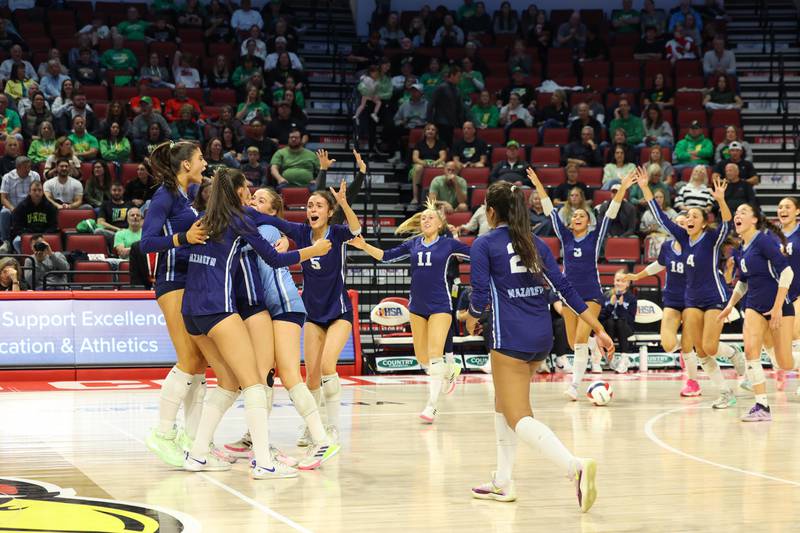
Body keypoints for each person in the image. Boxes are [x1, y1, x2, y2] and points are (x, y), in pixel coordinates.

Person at [465, 180, 611, 510]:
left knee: (518, 416)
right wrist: (598, 329)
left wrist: (469, 315)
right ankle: (502, 481)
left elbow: (479, 298)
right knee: (503, 405)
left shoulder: (484, 244)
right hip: (541, 337)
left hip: (509, 338)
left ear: (490, 212)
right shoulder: (535, 242)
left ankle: (574, 466)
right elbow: (566, 290)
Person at [180, 168, 329, 478]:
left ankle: (197, 454)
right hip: (218, 309)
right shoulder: (239, 219)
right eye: (246, 187)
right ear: (236, 192)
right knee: (254, 385)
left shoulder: (203, 219)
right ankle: (264, 462)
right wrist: (311, 250)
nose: (249, 192)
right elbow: (273, 259)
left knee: (227, 383)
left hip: (190, 312)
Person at [223, 187, 341, 469]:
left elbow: (265, 252)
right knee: (263, 374)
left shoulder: (267, 231)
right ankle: (256, 437)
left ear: (274, 212)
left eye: (260, 200)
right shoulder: (254, 228)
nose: (253, 202)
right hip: (270, 309)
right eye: (253, 198)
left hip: (285, 305)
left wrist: (289, 243)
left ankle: (322, 440)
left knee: (289, 375)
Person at [247, 154, 361, 442]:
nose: (312, 209)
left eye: (319, 205)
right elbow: (267, 219)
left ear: (329, 212)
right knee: (310, 377)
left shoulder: (337, 233)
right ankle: (315, 427)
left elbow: (357, 229)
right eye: (309, 205)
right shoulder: (300, 230)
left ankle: (332, 427)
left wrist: (344, 203)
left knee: (326, 367)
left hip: (339, 311)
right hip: (312, 311)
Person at [349, 201, 470, 421]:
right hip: (417, 307)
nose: (426, 220)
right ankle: (450, 370)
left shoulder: (448, 244)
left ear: (440, 223)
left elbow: (475, 254)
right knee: (422, 358)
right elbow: (385, 256)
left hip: (440, 305)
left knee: (434, 356)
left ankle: (432, 406)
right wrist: (364, 246)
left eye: (431, 217)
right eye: (423, 217)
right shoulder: (413, 244)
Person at [638, 167, 747, 408]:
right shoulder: (682, 238)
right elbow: (660, 218)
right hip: (692, 299)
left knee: (709, 345)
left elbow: (728, 224)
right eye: (687, 217)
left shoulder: (711, 238)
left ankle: (734, 353)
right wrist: (645, 188)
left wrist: (720, 200)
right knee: (700, 350)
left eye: (695, 217)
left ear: (703, 222)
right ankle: (725, 392)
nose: (689, 219)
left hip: (714, 297)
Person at [531, 168, 633, 397]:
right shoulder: (565, 237)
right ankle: (597, 346)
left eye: (581, 216)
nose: (576, 218)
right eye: (574, 216)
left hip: (591, 295)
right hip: (568, 295)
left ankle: (574, 386)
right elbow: (551, 213)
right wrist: (539, 186)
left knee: (578, 340)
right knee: (573, 341)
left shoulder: (595, 237)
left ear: (588, 222)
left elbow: (610, 216)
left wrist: (622, 189)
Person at [139, 141, 210, 468]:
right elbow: (147, 243)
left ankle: (192, 437)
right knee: (187, 359)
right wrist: (183, 239)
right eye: (199, 158)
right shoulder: (164, 196)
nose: (204, 162)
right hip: (172, 282)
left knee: (197, 362)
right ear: (185, 165)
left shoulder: (185, 198)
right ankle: (162, 433)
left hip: (190, 281)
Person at [718, 203, 797, 421]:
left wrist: (778, 306)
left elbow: (787, 272)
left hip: (779, 305)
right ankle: (762, 406)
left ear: (754, 220)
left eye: (743, 211)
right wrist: (729, 306)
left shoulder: (763, 240)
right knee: (751, 351)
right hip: (753, 305)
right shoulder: (741, 247)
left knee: (785, 363)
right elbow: (743, 283)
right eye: (736, 213)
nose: (737, 215)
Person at [776, 197, 800, 394]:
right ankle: (779, 369)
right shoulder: (772, 236)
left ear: (797, 212)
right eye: (780, 207)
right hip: (779, 294)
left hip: (798, 291)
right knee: (781, 340)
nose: (783, 210)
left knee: (795, 334)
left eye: (788, 207)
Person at [599, 269, 638, 369]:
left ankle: (624, 359)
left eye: (623, 281)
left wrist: (620, 305)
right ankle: (611, 357)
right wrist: (611, 305)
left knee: (620, 322)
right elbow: (601, 317)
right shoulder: (606, 295)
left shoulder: (631, 298)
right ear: (613, 281)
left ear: (628, 283)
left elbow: (630, 319)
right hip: (609, 329)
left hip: (625, 328)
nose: (620, 283)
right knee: (610, 322)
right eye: (617, 280)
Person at [0, 156, 41, 252]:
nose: (28, 169)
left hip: (30, 208)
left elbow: (38, 193)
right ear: (18, 167)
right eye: (26, 167)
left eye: (29, 167)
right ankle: (6, 242)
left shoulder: (35, 176)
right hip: (12, 208)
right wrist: (13, 209)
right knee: (4, 212)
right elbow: (3, 198)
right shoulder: (8, 177)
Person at [10, 180, 57, 253]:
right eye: (34, 190)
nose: (37, 193)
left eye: (39, 190)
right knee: (16, 242)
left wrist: (43, 235)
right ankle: (24, 259)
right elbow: (17, 226)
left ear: (43, 192)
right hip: (27, 234)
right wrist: (27, 234)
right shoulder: (21, 206)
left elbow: (53, 226)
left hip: (45, 235)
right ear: (29, 192)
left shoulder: (50, 207)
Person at [409, 123, 448, 205]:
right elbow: (415, 158)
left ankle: (439, 197)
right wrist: (424, 163)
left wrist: (435, 163)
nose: (430, 131)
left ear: (436, 133)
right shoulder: (419, 144)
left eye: (433, 130)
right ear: (425, 132)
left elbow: (443, 157)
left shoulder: (440, 143)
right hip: (422, 163)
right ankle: (415, 197)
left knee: (441, 166)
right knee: (418, 168)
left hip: (436, 163)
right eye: (428, 129)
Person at [427, 67, 464, 148]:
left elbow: (460, 108)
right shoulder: (441, 87)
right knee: (442, 146)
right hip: (441, 122)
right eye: (458, 76)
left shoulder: (457, 89)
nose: (459, 79)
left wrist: (461, 122)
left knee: (449, 145)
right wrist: (429, 121)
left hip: (452, 122)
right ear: (452, 76)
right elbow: (431, 104)